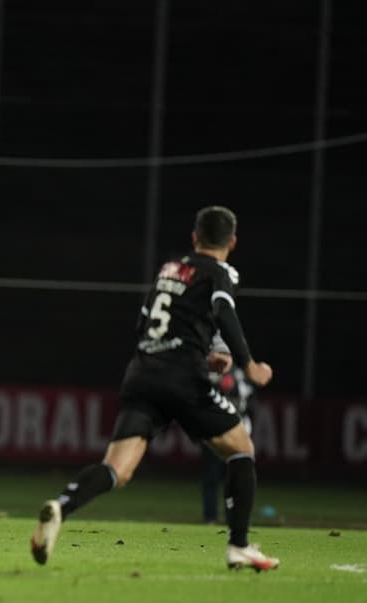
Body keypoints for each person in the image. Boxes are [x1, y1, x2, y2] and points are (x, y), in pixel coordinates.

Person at [30, 206, 279, 572]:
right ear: (233, 242)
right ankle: (239, 546)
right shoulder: (221, 272)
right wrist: (248, 364)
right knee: (241, 449)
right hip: (183, 378)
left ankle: (60, 507)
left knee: (116, 469)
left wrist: (201, 352)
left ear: (194, 237)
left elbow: (144, 323)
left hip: (143, 372)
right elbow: (223, 310)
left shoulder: (170, 269)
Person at [200, 339, 254, 524]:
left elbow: (246, 396)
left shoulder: (240, 374)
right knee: (212, 476)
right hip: (214, 429)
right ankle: (211, 516)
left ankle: (234, 517)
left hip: (237, 431)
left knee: (234, 477)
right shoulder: (210, 373)